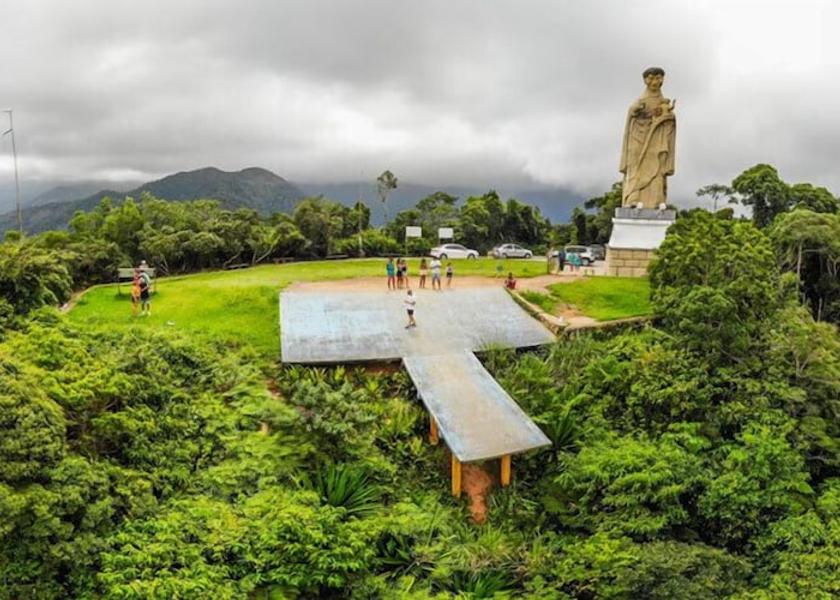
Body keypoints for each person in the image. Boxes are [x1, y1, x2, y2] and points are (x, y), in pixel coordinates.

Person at [619, 66, 676, 209]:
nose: (655, 81)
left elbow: (669, 120)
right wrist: (634, 111)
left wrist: (668, 117)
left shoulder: (664, 103)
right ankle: (632, 197)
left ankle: (657, 200)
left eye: (658, 77)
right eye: (651, 78)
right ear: (645, 80)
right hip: (637, 137)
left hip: (656, 138)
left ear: (662, 79)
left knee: (657, 166)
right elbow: (631, 115)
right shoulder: (639, 101)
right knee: (635, 166)